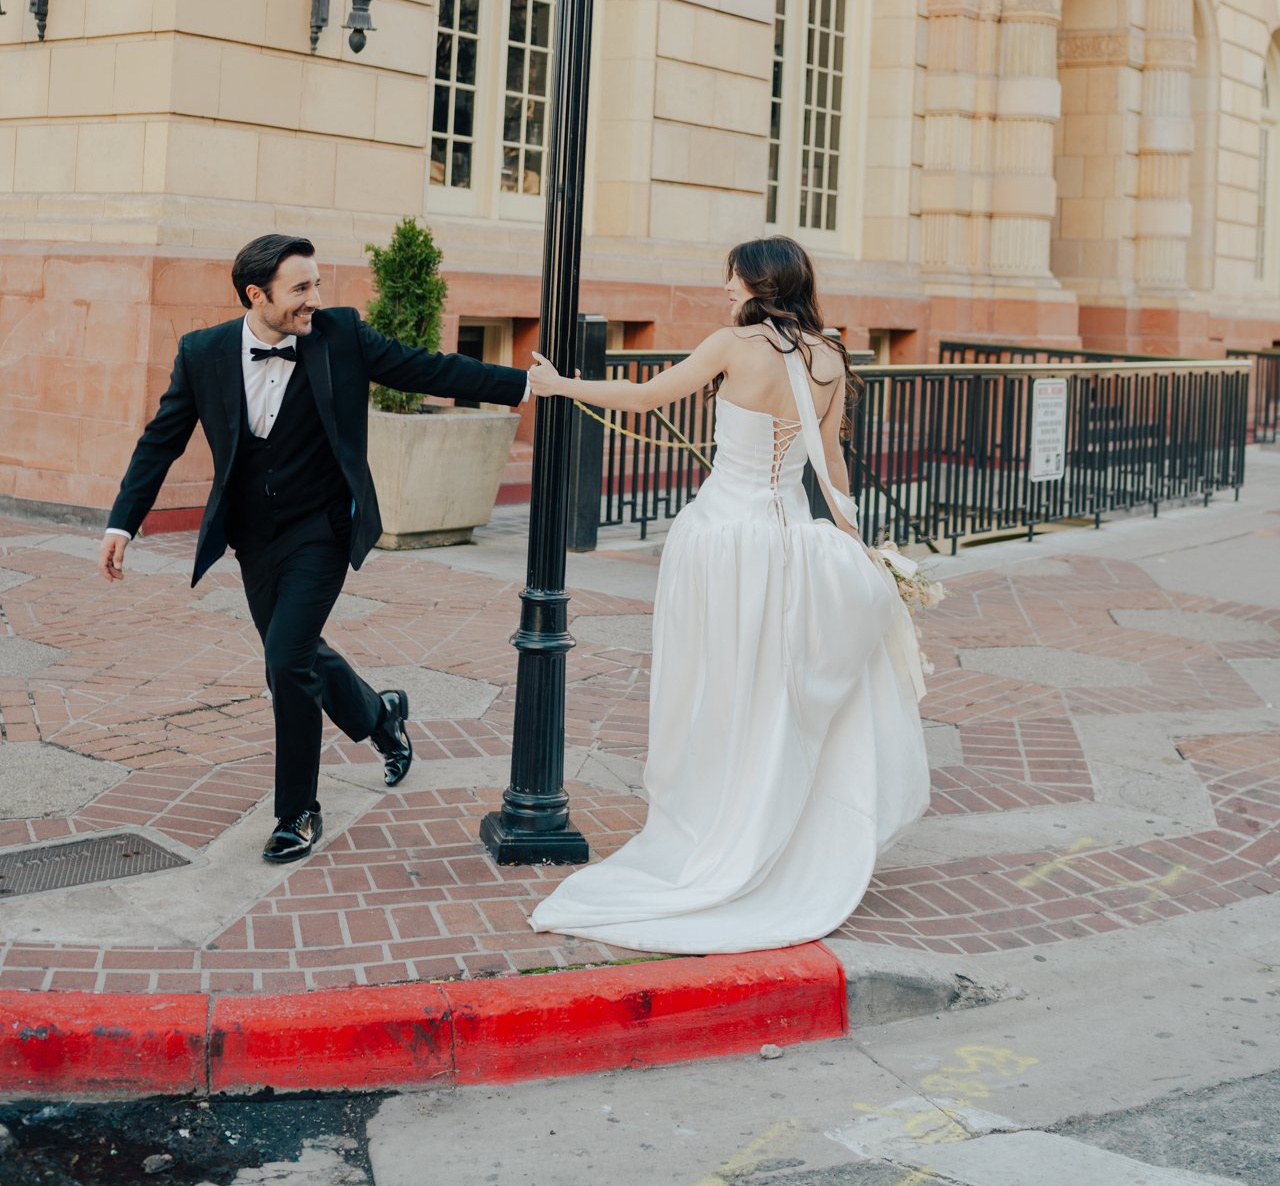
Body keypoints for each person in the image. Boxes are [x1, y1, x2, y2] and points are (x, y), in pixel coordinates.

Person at [525, 235, 930, 953]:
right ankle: (775, 821)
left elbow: (646, 397)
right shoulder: (832, 356)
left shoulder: (731, 345)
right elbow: (830, 463)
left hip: (721, 544)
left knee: (710, 689)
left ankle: (715, 825)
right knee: (774, 693)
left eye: (731, 277)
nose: (724, 288)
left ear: (755, 283)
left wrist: (561, 387)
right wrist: (858, 547)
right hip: (790, 547)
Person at [99, 233, 530, 864]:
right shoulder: (203, 352)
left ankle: (297, 811)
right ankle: (381, 717)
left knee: (284, 660)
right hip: (253, 536)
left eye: (317, 284)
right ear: (257, 295)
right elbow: (160, 439)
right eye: (301, 288)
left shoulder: (341, 335)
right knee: (296, 654)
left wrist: (522, 384)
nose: (314, 299)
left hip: (322, 530)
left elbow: (428, 367)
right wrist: (122, 523)